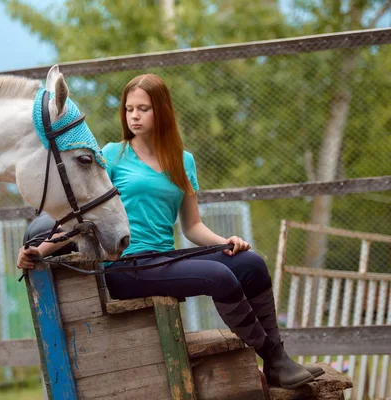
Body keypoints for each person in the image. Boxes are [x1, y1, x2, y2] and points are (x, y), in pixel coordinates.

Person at [17, 74, 322, 389]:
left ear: (161, 111)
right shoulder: (113, 155)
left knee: (251, 264)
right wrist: (40, 250)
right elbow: (81, 214)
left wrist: (226, 242)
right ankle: (273, 358)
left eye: (143, 109)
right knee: (220, 278)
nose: (134, 116)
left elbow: (192, 227)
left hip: (166, 258)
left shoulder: (182, 160)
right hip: (127, 266)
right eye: (129, 109)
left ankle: (279, 359)